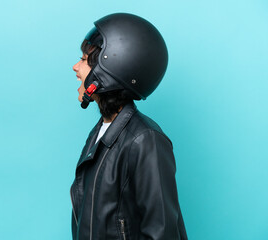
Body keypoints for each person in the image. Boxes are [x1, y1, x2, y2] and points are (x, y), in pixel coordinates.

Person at [70, 13, 188, 240]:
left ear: (111, 68)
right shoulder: (99, 135)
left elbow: (161, 233)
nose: (76, 67)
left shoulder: (145, 140)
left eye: (84, 59)